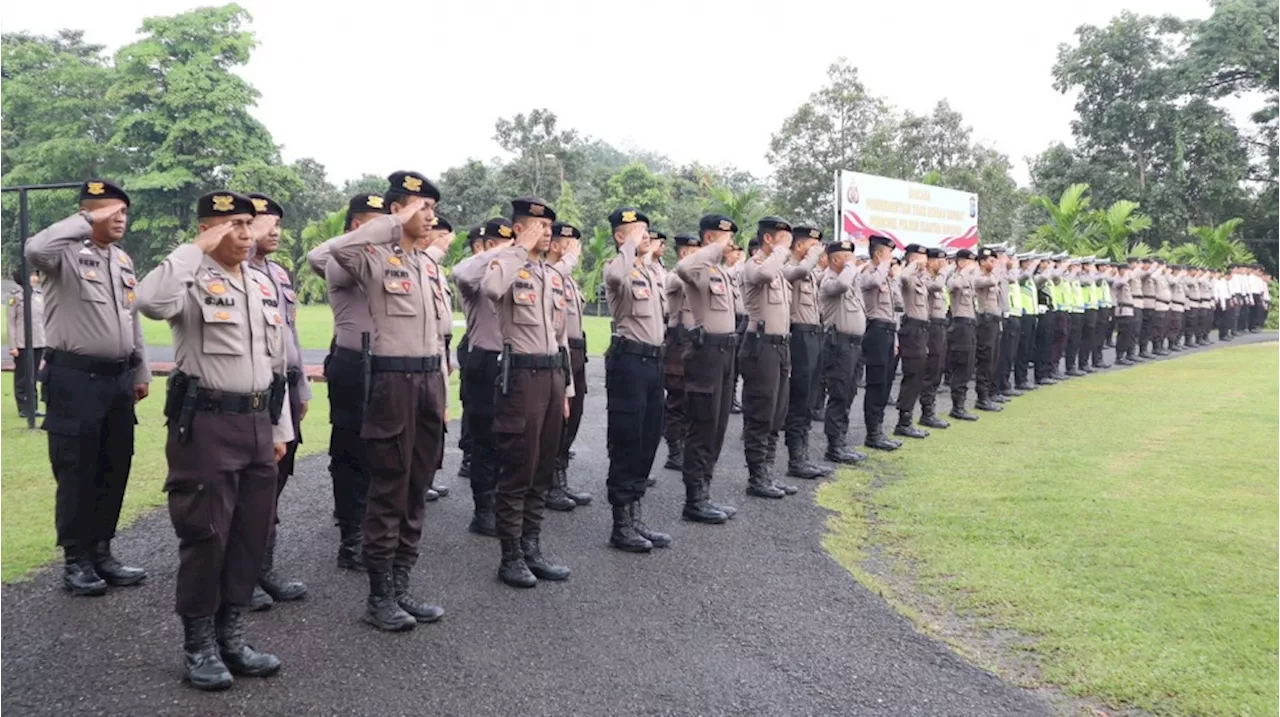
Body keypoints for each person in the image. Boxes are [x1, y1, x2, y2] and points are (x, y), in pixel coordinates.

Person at [135, 190, 291, 691]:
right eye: (234, 225)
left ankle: (233, 636)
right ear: (210, 229)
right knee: (206, 536)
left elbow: (277, 365)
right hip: (204, 424)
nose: (246, 235)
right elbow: (148, 300)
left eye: (249, 225)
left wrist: (280, 427)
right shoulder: (188, 279)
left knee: (248, 534)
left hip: (257, 423)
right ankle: (198, 644)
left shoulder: (262, 284)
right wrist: (194, 248)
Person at [329, 171, 447, 631]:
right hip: (391, 381)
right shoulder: (375, 257)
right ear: (399, 211)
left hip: (428, 381)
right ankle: (379, 596)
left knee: (418, 485)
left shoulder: (427, 265)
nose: (431, 217)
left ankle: (402, 584)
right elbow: (336, 251)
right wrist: (391, 222)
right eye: (423, 208)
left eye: (432, 209)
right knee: (390, 488)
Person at [24, 179, 151, 596]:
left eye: (124, 213)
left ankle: (102, 551)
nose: (121, 220)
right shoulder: (63, 255)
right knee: (77, 469)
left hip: (117, 378)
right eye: (112, 213)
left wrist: (141, 370)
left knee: (114, 465)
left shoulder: (122, 261)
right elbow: (34, 250)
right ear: (89, 213)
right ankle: (76, 560)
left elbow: (132, 319)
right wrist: (85, 219)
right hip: (74, 378)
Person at [481, 197, 576, 587]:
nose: (546, 232)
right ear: (519, 229)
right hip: (521, 378)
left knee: (542, 468)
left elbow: (561, 337)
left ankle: (532, 547)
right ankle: (510, 555)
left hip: (553, 378)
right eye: (538, 226)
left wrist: (567, 387)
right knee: (518, 467)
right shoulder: (505, 263)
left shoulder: (551, 275)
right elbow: (490, 288)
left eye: (549, 227)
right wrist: (519, 248)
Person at [306, 192, 391, 571]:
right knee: (351, 451)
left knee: (383, 450)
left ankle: (374, 527)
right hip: (354, 365)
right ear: (358, 226)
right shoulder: (341, 261)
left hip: (387, 365)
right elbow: (316, 256)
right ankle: (351, 535)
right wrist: (363, 234)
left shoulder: (385, 259)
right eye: (378, 220)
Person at [244, 192, 309, 611]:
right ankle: (241, 574)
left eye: (280, 225)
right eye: (269, 222)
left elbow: (290, 333)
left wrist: (300, 385)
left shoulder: (278, 273)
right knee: (249, 483)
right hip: (250, 389)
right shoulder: (230, 269)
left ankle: (262, 567)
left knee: (274, 482)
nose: (277, 232)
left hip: (284, 385)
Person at [600, 207, 672, 552]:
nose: (645, 234)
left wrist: (645, 253)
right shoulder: (618, 268)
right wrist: (630, 245)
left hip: (654, 363)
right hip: (629, 361)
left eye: (646, 228)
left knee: (648, 437)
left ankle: (636, 512)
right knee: (627, 439)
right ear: (619, 236)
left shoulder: (653, 271)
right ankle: (621, 523)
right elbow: (615, 276)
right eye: (636, 229)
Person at [674, 215, 741, 524]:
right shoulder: (698, 268)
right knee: (702, 424)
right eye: (725, 237)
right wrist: (713, 247)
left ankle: (706, 490)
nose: (730, 242)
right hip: (706, 352)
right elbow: (684, 268)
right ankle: (694, 498)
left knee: (718, 425)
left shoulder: (721, 273)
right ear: (712, 237)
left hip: (727, 350)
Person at [453, 218, 516, 537]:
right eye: (500, 243)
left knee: (511, 439)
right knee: (485, 440)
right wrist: (500, 252)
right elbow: (462, 273)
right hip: (485, 362)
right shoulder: (474, 274)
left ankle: (504, 503)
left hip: (514, 361)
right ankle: (483, 509)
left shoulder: (513, 272)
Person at [739, 217, 802, 498]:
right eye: (783, 239)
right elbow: (763, 275)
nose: (787, 246)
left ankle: (768, 472)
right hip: (760, 346)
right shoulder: (755, 265)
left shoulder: (779, 270)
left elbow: (797, 271)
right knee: (761, 412)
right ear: (768, 239)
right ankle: (756, 477)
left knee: (778, 412)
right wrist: (781, 250)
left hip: (781, 347)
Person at [545, 222, 594, 512]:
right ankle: (550, 481)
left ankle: (560, 475)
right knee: (558, 419)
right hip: (559, 350)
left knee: (573, 416)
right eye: (568, 242)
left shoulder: (569, 280)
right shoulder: (550, 275)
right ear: (554, 244)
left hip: (577, 351)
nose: (574, 248)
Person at [781, 225, 833, 478]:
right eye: (813, 246)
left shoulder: (811, 273)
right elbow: (797, 271)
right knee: (799, 397)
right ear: (800, 246)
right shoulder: (789, 267)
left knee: (810, 398)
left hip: (814, 335)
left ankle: (802, 455)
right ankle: (795, 459)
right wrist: (813, 257)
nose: (819, 251)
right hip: (798, 336)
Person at [819, 240, 871, 463]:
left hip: (854, 345)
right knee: (839, 394)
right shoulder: (829, 280)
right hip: (838, 344)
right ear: (835, 260)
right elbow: (841, 286)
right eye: (846, 257)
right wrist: (851, 267)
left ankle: (842, 441)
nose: (851, 261)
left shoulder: (850, 280)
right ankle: (834, 446)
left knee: (849, 393)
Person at [662, 233, 701, 472]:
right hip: (678, 342)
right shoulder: (674, 276)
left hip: (694, 343)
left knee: (691, 397)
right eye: (692, 251)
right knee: (677, 397)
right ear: (683, 253)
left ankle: (685, 442)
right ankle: (674, 449)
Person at [860, 235, 902, 450]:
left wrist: (894, 338)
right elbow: (872, 283)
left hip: (888, 332)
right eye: (888, 253)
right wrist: (883, 266)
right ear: (878, 254)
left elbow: (895, 310)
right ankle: (872, 434)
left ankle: (879, 429)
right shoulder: (869, 272)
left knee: (886, 383)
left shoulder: (887, 277)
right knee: (876, 382)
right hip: (875, 332)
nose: (891, 258)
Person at [894, 244, 931, 438]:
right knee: (912, 375)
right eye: (919, 258)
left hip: (922, 329)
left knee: (918, 375)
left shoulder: (920, 279)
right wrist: (913, 264)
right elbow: (902, 278)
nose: (924, 261)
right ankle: (903, 421)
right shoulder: (908, 277)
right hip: (912, 330)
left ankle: (907, 419)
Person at [919, 247, 954, 426]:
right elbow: (937, 287)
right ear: (930, 261)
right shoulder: (925, 277)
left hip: (941, 325)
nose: (942, 265)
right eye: (939, 261)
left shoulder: (937, 277)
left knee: (938, 368)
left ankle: (930, 410)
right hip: (930, 326)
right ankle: (926, 412)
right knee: (931, 369)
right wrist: (943, 271)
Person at [7, 270, 46, 418]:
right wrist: (13, 345)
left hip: (38, 341)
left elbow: (43, 320)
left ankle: (33, 407)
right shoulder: (15, 296)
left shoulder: (38, 294)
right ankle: (23, 407)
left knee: (34, 376)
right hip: (22, 343)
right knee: (23, 376)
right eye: (32, 274)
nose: (35, 277)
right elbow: (11, 322)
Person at [972, 247, 1003, 411]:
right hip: (985, 321)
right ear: (982, 262)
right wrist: (997, 269)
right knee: (985, 358)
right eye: (990, 261)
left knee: (993, 358)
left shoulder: (991, 276)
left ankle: (989, 393)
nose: (994, 263)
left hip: (994, 321)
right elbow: (986, 282)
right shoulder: (979, 276)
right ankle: (982, 397)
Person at [1013, 253, 1041, 392]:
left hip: (1031, 314)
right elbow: (1023, 277)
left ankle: (1023, 378)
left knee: (1028, 347)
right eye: (1028, 261)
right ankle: (1020, 379)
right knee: (1022, 349)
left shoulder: (1029, 277)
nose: (1031, 264)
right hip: (1023, 315)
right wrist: (1034, 266)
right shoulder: (1019, 275)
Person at [1112, 261, 1138, 365]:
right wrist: (1127, 275)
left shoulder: (1125, 280)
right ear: (1122, 270)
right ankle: (1119, 356)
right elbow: (1119, 284)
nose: (1128, 272)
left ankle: (1124, 354)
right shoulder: (1118, 278)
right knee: (1123, 334)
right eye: (1126, 269)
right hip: (1123, 310)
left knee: (1128, 334)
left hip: (1129, 310)